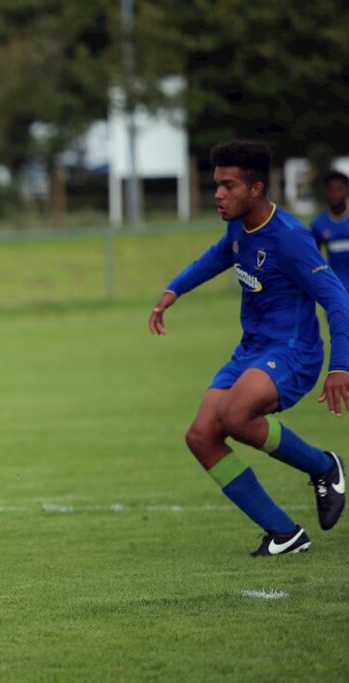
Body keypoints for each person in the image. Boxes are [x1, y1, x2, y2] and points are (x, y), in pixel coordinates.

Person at [149, 141, 347, 557]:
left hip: (294, 352)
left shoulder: (291, 238)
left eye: (228, 185)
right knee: (201, 436)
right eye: (216, 184)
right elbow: (220, 254)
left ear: (256, 189)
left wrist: (340, 366)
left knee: (236, 414)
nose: (218, 194)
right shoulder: (238, 226)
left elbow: (337, 299)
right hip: (251, 351)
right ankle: (284, 533)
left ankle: (324, 466)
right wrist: (174, 290)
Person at [310, 170, 349, 288]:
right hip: (336, 287)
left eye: (339, 189)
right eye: (331, 190)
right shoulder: (318, 223)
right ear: (325, 193)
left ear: (347, 190)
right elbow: (313, 258)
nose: (335, 194)